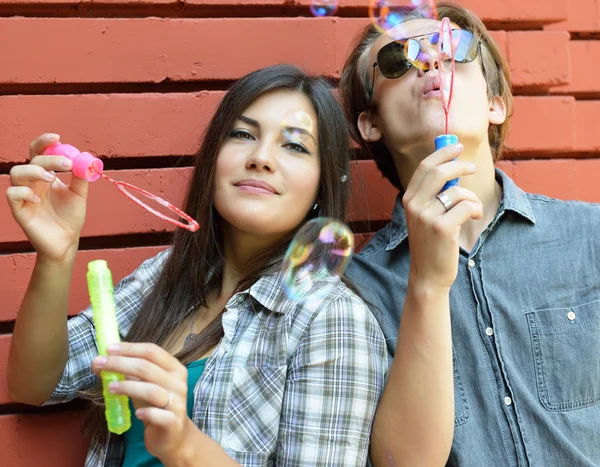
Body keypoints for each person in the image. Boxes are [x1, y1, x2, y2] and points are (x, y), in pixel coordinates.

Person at [6, 64, 387, 467]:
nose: (260, 158)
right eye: (242, 134)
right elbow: (35, 385)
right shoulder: (166, 276)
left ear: (321, 183)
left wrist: (184, 445)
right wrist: (56, 256)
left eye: (294, 146)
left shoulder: (331, 318)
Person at [340, 2, 600, 466]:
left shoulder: (592, 237)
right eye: (400, 59)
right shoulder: (355, 290)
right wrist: (425, 286)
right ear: (370, 123)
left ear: (495, 104)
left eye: (454, 50)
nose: (432, 63)